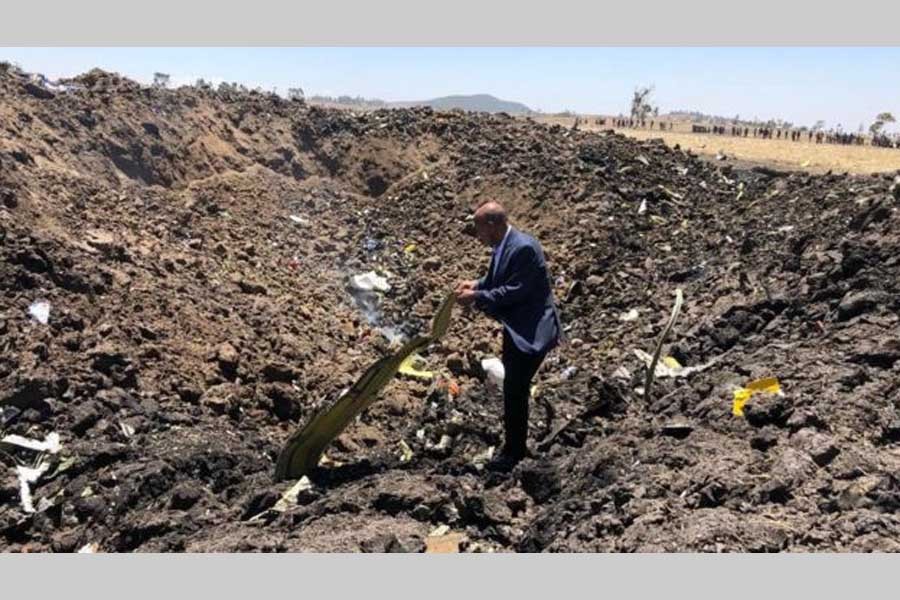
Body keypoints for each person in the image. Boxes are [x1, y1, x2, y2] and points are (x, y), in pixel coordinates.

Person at [455, 201, 561, 470]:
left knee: (515, 388)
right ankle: (514, 447)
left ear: (492, 225)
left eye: (479, 229)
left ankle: (513, 453)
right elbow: (497, 278)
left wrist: (476, 297)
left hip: (531, 331)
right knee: (515, 388)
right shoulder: (505, 245)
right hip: (517, 328)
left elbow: (514, 291)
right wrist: (476, 284)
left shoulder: (523, 248)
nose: (478, 236)